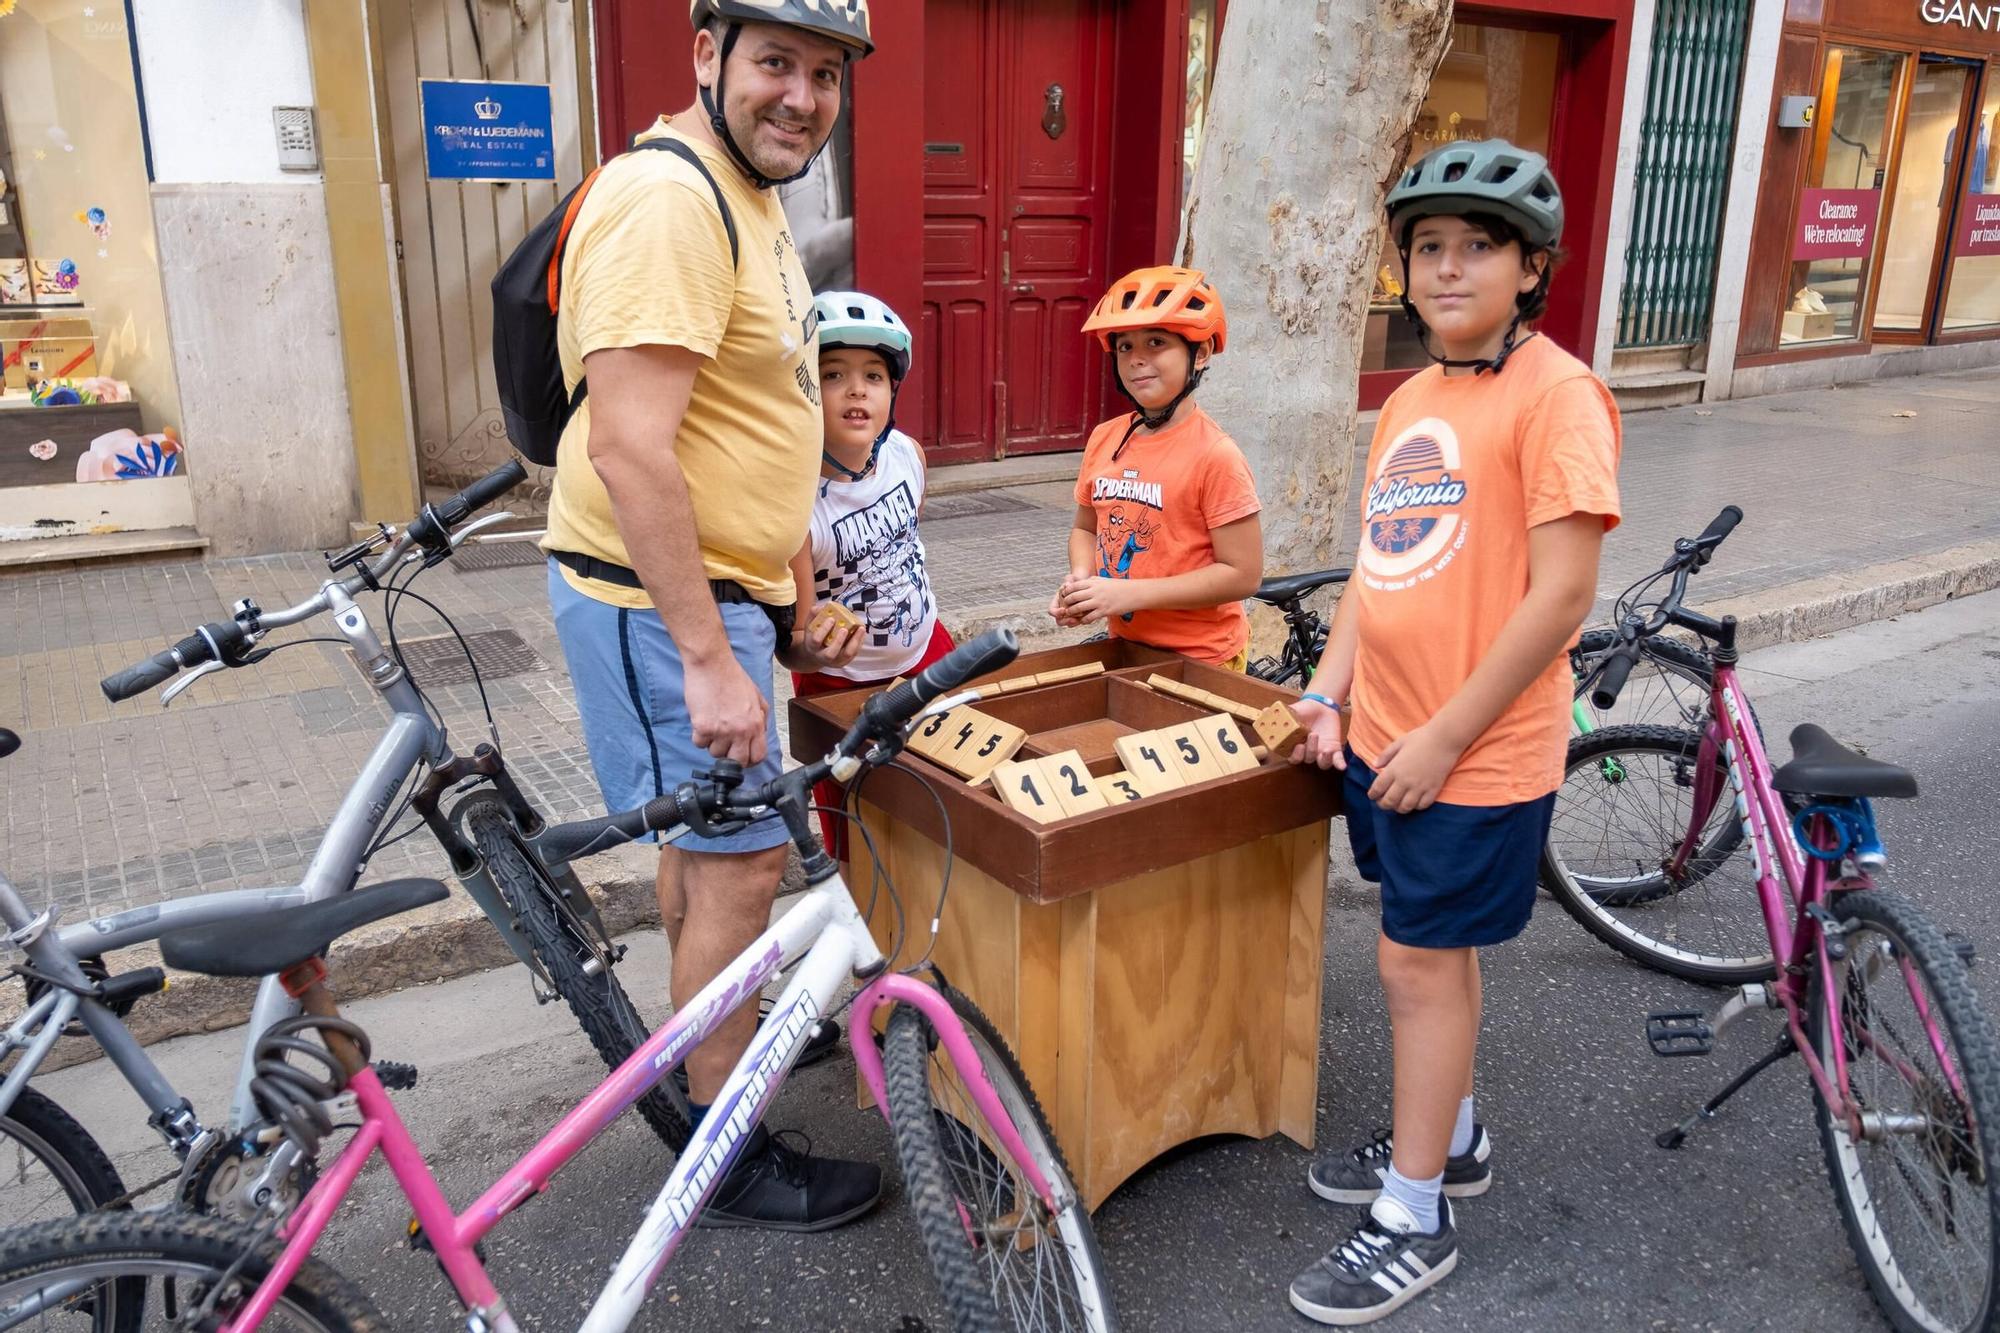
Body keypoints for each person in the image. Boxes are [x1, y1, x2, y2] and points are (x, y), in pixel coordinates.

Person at [541, 0, 883, 1233]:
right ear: (706, 57)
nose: (801, 96)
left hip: (719, 595)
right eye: (775, 64)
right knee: (738, 876)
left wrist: (780, 607)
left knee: (709, 861)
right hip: (658, 605)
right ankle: (721, 1150)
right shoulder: (672, 200)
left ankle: (709, 1053)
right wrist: (707, 655)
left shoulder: (749, 198)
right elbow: (633, 448)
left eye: (825, 75)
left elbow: (756, 409)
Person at [1283, 140, 1622, 1324]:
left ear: (1530, 269)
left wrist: (1437, 739)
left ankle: (1414, 1212)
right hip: (1378, 735)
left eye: (1477, 245)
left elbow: (1561, 597)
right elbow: (1378, 572)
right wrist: (1328, 692)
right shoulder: (1412, 400)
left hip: (1467, 756)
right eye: (1427, 247)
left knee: (1413, 967)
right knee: (1429, 956)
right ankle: (1454, 1134)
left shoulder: (1558, 394)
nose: (1445, 267)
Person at [786, 289, 956, 858]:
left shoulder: (908, 454)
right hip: (841, 684)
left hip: (928, 653)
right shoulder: (795, 508)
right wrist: (819, 649)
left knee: (955, 804)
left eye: (874, 377)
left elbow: (908, 543)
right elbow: (795, 644)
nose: (857, 389)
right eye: (833, 374)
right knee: (859, 833)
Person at [1049, 266, 1264, 667]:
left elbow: (1243, 574)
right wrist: (1082, 581)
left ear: (1199, 354)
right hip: (1127, 647)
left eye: (1156, 342)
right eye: (1125, 346)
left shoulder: (1216, 455)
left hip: (1203, 659)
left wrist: (1127, 594)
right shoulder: (1105, 437)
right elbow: (1085, 528)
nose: (1137, 359)